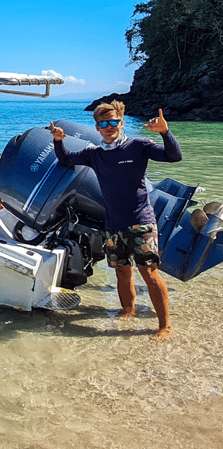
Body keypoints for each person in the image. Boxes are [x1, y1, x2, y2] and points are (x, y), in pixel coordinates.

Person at [50, 101, 182, 341]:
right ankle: (128, 311)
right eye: (103, 123)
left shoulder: (139, 146)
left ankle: (165, 326)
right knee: (122, 272)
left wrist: (165, 132)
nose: (109, 127)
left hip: (141, 221)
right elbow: (66, 159)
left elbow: (173, 157)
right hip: (113, 224)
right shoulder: (95, 154)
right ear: (97, 127)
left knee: (150, 273)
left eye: (113, 122)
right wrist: (58, 141)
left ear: (121, 122)